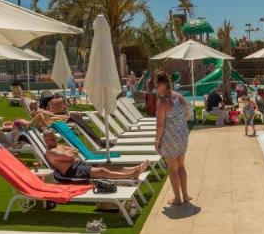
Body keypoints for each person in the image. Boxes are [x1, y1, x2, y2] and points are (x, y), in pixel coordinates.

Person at [42, 130, 149, 182]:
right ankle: (130, 175)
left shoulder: (58, 146)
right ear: (46, 141)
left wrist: (70, 153)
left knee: (106, 165)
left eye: (55, 138)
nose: (55, 140)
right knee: (102, 171)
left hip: (78, 165)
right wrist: (70, 153)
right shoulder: (52, 152)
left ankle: (133, 168)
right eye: (52, 139)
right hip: (73, 172)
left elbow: (75, 150)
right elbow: (71, 156)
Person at [154, 72, 192, 206]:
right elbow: (187, 114)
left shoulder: (162, 101)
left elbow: (160, 125)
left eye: (156, 85)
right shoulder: (179, 97)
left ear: (162, 84)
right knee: (181, 166)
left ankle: (177, 199)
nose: (155, 88)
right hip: (182, 135)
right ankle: (185, 195)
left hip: (170, 138)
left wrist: (157, 141)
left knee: (172, 169)